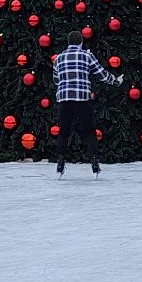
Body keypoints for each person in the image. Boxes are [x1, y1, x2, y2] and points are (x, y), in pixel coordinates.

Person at [52, 31, 121, 177]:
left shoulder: (59, 58)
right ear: (81, 42)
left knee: (64, 132)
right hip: (83, 98)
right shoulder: (87, 55)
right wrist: (116, 80)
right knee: (90, 131)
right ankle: (94, 162)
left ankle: (60, 162)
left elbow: (56, 80)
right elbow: (101, 74)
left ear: (68, 42)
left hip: (64, 99)